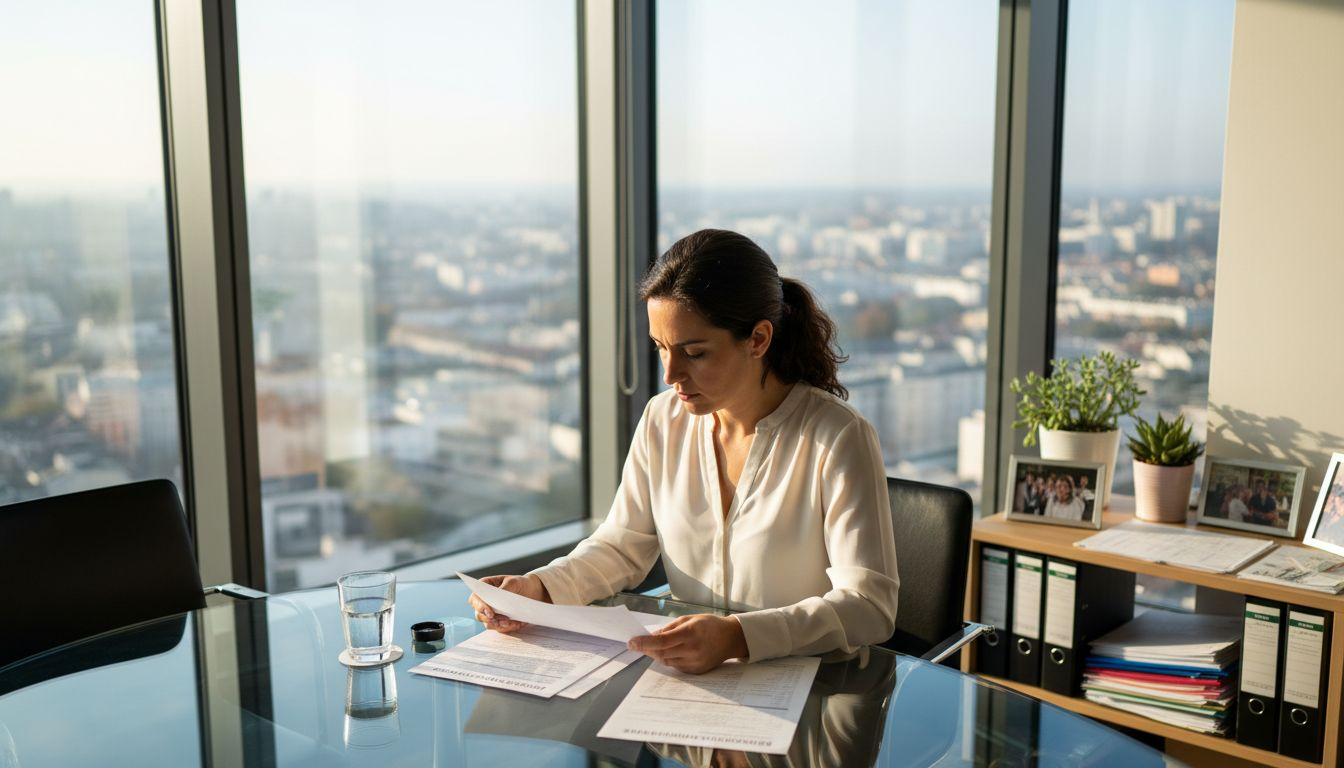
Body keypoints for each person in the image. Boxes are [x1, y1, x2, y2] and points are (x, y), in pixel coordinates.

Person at [468, 229, 899, 674]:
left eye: (694, 353)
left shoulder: (839, 437)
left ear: (758, 339)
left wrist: (739, 636)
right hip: (688, 687)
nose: (671, 374)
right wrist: (538, 589)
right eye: (660, 348)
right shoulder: (663, 419)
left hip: (813, 690)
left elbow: (869, 606)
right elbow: (622, 546)